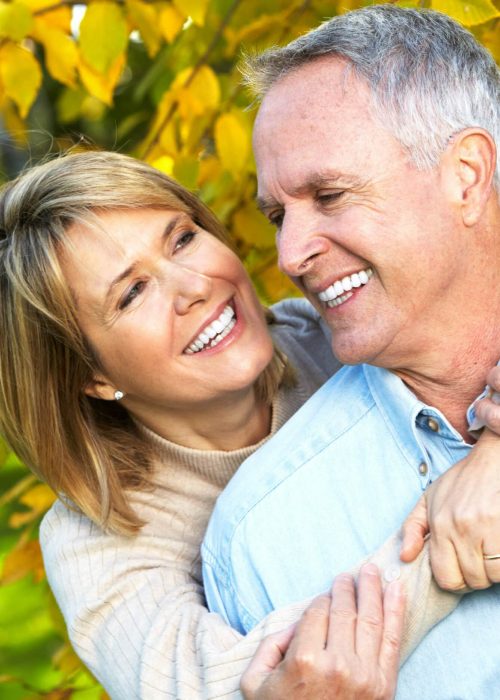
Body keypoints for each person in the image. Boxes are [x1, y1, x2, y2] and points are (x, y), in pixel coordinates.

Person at [0, 151, 497, 698]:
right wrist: (455, 539)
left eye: (182, 239)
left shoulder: (333, 334)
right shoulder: (97, 539)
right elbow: (268, 682)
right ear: (90, 375)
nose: (194, 286)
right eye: (133, 292)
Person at [201, 4, 500, 699]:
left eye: (328, 195)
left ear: (466, 174)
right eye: (278, 216)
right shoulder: (262, 536)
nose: (289, 254)